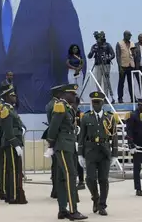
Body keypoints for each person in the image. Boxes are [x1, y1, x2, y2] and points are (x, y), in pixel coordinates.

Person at [45, 85, 87, 220]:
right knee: (70, 175)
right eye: (72, 94)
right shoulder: (60, 106)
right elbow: (53, 126)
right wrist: (50, 144)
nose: (74, 97)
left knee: (63, 178)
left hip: (68, 144)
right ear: (65, 94)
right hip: (63, 145)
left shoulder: (67, 107)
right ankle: (73, 210)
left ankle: (62, 210)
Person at [78, 91, 118, 216]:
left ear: (103, 103)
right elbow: (81, 136)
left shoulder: (110, 117)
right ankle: (95, 198)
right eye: (93, 102)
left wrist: (115, 154)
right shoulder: (86, 117)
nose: (95, 105)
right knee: (90, 179)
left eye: (98, 102)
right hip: (90, 151)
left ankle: (102, 205)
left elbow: (114, 136)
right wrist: (80, 153)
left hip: (104, 151)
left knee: (103, 180)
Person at [0, 84, 27, 204]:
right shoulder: (5, 109)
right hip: (11, 144)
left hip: (14, 142)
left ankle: (13, 194)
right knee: (13, 169)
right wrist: (15, 144)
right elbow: (8, 130)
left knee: (15, 169)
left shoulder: (11, 109)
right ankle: (13, 196)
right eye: (12, 95)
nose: (15, 97)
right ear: (6, 97)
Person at [43, 84, 65, 199]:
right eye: (62, 93)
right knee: (58, 165)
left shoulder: (51, 104)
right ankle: (56, 189)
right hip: (57, 137)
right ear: (58, 94)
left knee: (56, 165)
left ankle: (55, 189)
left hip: (54, 137)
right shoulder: (55, 105)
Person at [125, 98, 142, 196]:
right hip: (137, 145)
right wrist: (131, 144)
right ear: (139, 105)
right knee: (137, 168)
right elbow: (129, 131)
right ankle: (138, 188)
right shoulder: (132, 115)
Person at [88, 32, 115, 103]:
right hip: (97, 65)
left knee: (106, 81)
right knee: (98, 81)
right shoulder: (94, 46)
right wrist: (93, 51)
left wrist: (108, 58)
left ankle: (106, 97)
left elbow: (113, 54)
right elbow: (89, 56)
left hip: (106, 65)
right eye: (98, 38)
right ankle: (99, 97)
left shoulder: (107, 45)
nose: (100, 39)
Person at [116, 30, 136, 103]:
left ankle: (132, 98)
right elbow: (118, 56)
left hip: (131, 66)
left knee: (131, 83)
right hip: (123, 66)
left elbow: (135, 55)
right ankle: (120, 98)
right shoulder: (119, 43)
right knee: (121, 83)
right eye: (129, 35)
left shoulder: (132, 43)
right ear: (124, 35)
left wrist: (134, 53)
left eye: (130, 35)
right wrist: (119, 67)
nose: (130, 37)